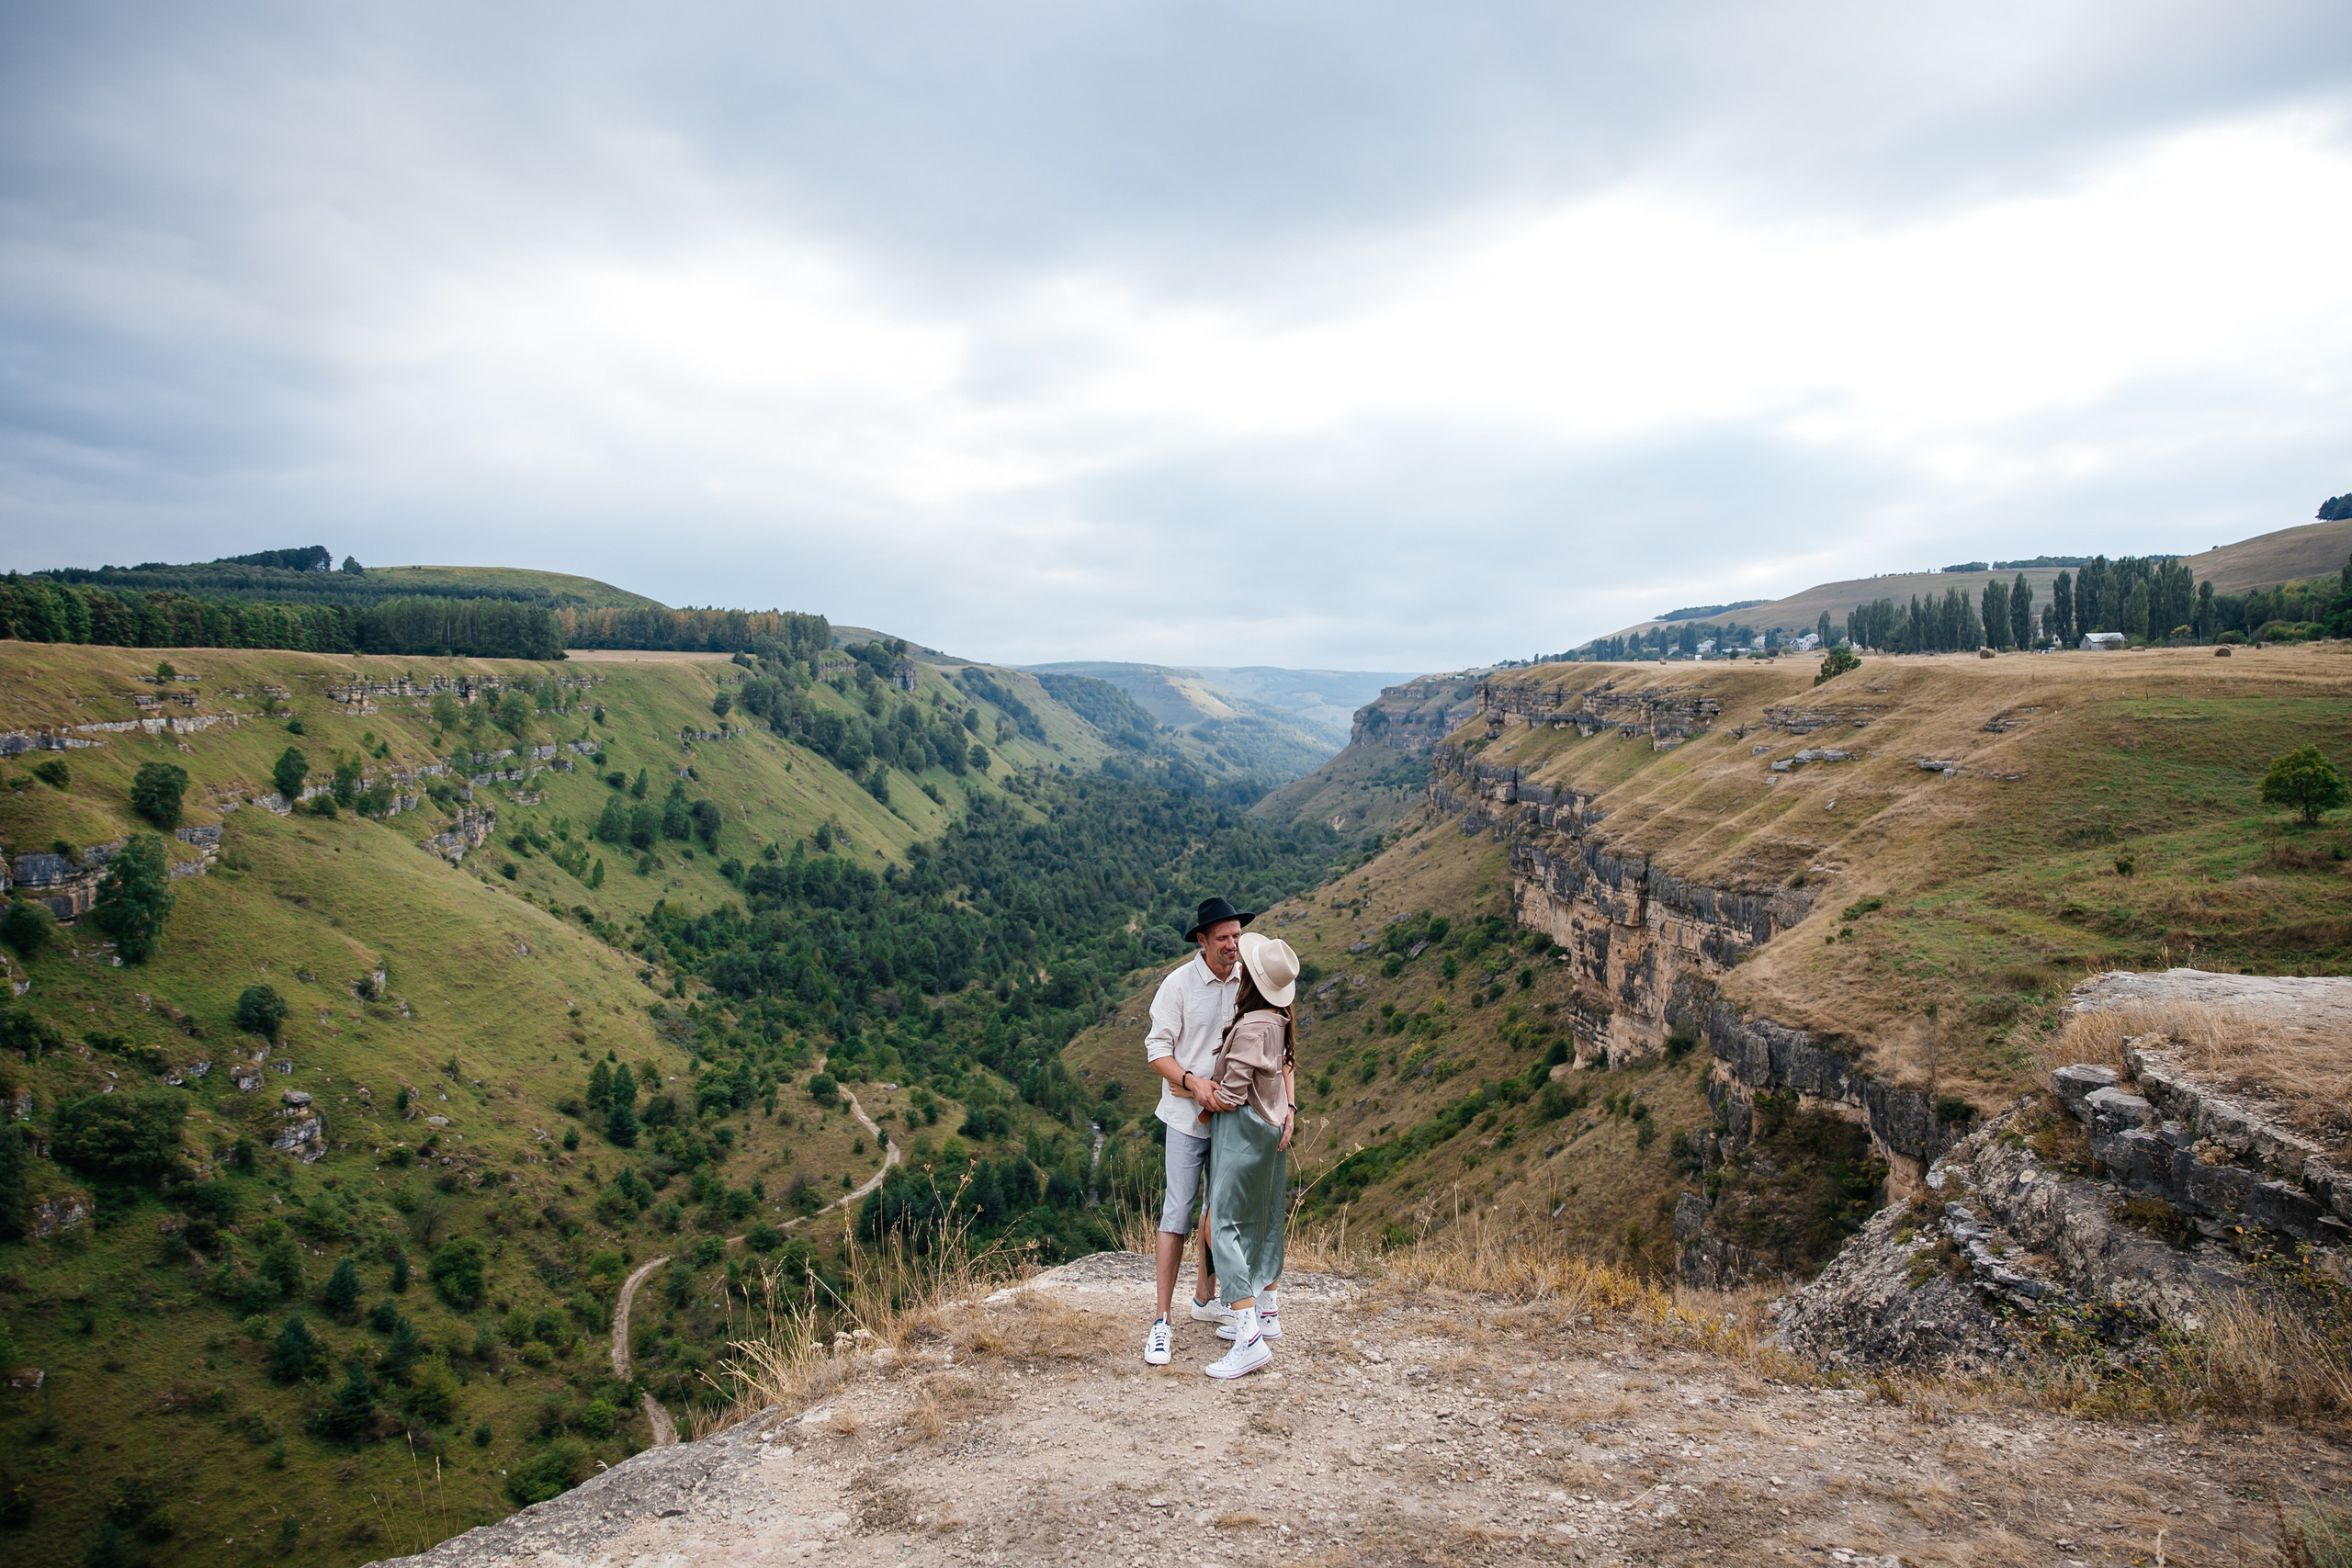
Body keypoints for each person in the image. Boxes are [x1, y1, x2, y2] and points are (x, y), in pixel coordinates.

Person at [1141, 896, 1251, 1367]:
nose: (1233, 944)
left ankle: (1207, 1299)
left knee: (1220, 1212)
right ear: (1203, 940)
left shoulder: (1249, 980)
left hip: (1231, 1117)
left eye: (1237, 936)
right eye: (1224, 937)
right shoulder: (1177, 985)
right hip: (1186, 1118)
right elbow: (1155, 1052)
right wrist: (1192, 1082)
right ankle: (1161, 1322)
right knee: (1177, 1214)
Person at [1198, 930, 1299, 1379]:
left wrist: (1200, 1094)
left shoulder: (1253, 1025)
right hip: (1272, 1128)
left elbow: (1233, 1093)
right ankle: (1268, 1311)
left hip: (1242, 1133)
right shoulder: (1279, 1020)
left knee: (1225, 1225)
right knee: (1265, 1217)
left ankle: (1247, 1336)